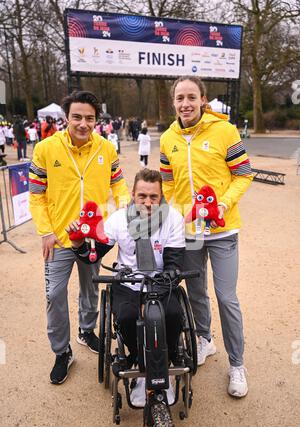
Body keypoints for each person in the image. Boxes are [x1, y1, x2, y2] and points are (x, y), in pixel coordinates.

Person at [160, 76, 253, 398]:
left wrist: (222, 204)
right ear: (173, 102)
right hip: (190, 234)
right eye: (179, 98)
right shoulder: (167, 138)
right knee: (196, 292)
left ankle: (237, 365)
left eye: (191, 97)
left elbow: (243, 174)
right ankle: (204, 339)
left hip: (223, 230)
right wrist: (174, 211)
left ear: (202, 99)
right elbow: (167, 184)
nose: (185, 104)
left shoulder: (225, 131)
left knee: (227, 297)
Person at [29, 90, 130, 385]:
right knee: (53, 295)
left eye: (89, 118)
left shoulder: (106, 148)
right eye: (77, 117)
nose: (83, 123)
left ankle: (87, 330)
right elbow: (36, 196)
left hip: (93, 237)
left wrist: (123, 207)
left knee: (90, 288)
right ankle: (62, 352)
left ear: (97, 119)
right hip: (60, 239)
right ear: (66, 118)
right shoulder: (45, 149)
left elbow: (119, 182)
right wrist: (46, 231)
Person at [68, 168, 185, 406]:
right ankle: (138, 358)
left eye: (154, 197)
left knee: (173, 314)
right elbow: (92, 257)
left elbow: (174, 261)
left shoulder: (173, 218)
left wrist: (170, 277)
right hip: (128, 281)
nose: (148, 202)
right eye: (142, 196)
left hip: (160, 281)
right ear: (133, 194)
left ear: (161, 196)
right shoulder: (118, 219)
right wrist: (78, 242)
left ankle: (169, 355)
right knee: (127, 316)